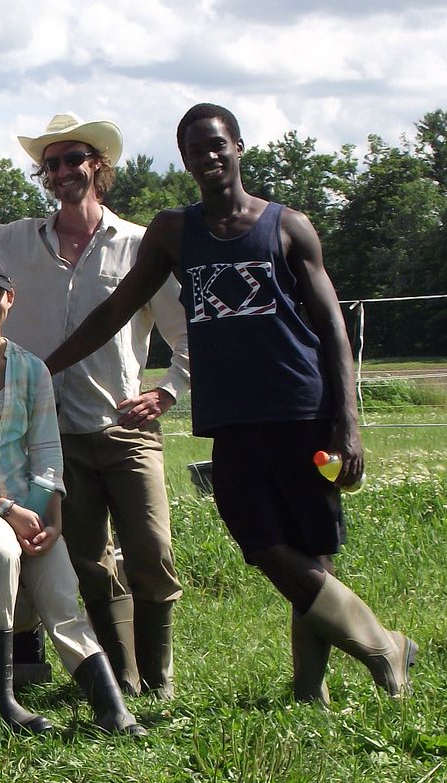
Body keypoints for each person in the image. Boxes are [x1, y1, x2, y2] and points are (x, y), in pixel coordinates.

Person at [47, 103, 417, 704]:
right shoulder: (174, 232)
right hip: (232, 421)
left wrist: (349, 426)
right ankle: (382, 643)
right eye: (195, 150)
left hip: (303, 411)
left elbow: (332, 330)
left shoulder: (288, 226)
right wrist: (44, 368)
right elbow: (115, 312)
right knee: (263, 543)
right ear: (186, 161)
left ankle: (308, 691)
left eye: (217, 145)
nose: (208, 157)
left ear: (238, 147)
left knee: (310, 551)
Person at [0, 100, 188, 699]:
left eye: (74, 159)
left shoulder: (140, 246)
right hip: (48, 438)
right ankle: (120, 676)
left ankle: (160, 678)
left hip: (121, 427)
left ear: (101, 166)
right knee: (88, 561)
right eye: (51, 163)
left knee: (153, 552)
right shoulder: (14, 242)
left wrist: (168, 390)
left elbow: (186, 333)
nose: (62, 171)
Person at [0, 251, 146, 736]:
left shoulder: (31, 370)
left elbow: (46, 450)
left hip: (28, 504)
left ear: (10, 300)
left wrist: (51, 518)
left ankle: (111, 709)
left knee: (63, 594)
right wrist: (7, 509)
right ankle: (1, 699)